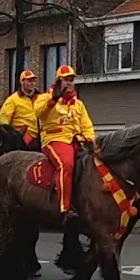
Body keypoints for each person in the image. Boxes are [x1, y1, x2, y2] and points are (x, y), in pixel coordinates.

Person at [35, 65, 94, 221]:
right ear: (58, 81)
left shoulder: (78, 104)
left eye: (71, 80)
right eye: (66, 80)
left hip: (76, 141)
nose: (69, 83)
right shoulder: (45, 98)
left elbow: (86, 125)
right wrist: (53, 99)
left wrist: (90, 139)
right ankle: (65, 208)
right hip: (54, 140)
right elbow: (39, 113)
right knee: (66, 164)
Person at [0, 69, 40, 146]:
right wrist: (13, 134)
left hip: (40, 135)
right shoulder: (13, 100)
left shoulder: (40, 98)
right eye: (29, 81)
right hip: (22, 137)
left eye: (33, 81)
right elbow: (3, 119)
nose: (32, 83)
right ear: (22, 82)